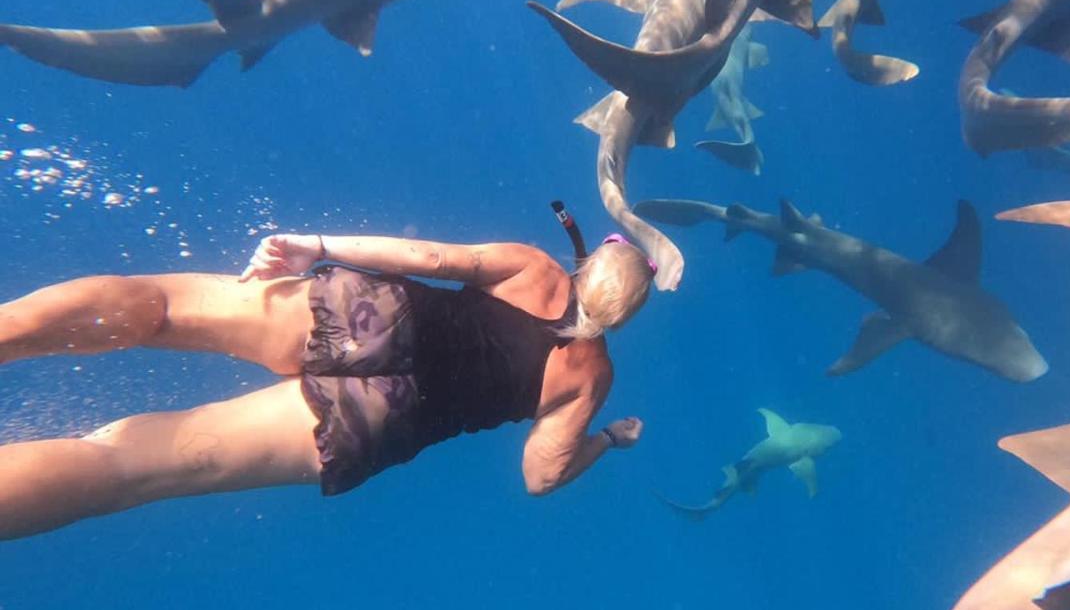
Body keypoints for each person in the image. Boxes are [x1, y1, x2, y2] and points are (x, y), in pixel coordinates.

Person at [0, 230, 655, 540]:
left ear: (587, 262)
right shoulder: (593, 377)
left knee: (157, 310)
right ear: (628, 316)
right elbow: (541, 475)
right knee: (120, 467)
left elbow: (429, 260)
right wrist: (607, 441)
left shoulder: (535, 267)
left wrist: (316, 243)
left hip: (367, 319)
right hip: (378, 416)